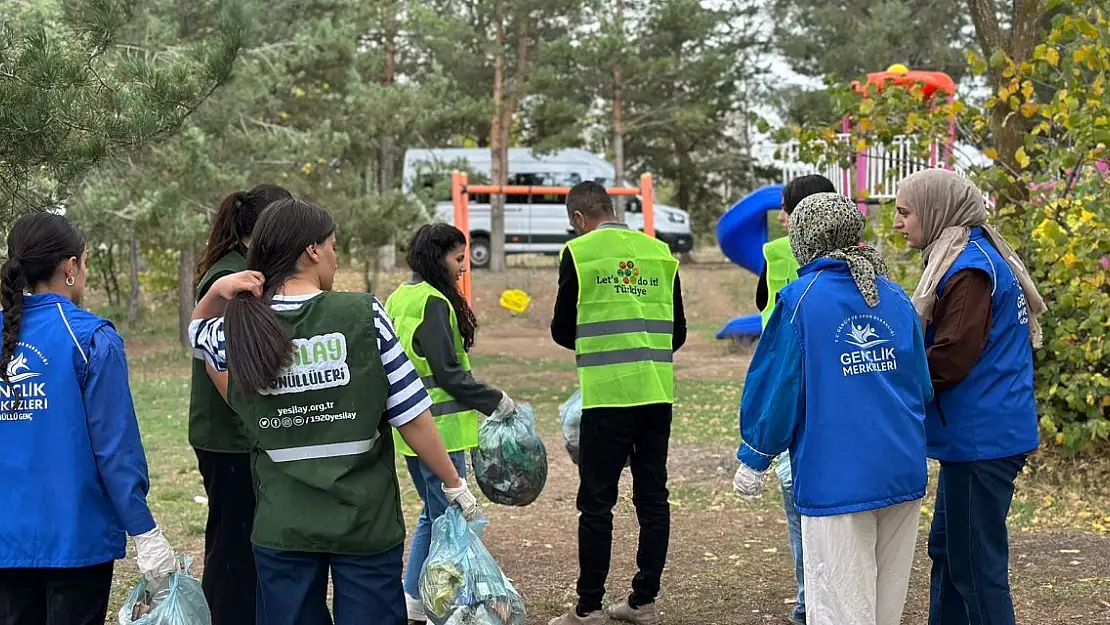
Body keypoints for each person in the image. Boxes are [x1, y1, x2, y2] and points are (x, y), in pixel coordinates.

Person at [189, 198, 481, 625]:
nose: (335, 258)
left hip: (283, 524)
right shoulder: (363, 315)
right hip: (363, 521)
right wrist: (454, 483)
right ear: (312, 250)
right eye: (333, 246)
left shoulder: (241, 328)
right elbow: (412, 415)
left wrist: (217, 291)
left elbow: (197, 335)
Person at [733, 193, 932, 625]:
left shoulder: (799, 300)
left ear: (805, 238)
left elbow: (777, 386)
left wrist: (754, 454)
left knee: (839, 602)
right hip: (902, 468)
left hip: (836, 477)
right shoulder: (895, 297)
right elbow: (922, 386)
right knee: (884, 602)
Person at [0, 213, 177, 625]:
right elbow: (114, 448)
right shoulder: (90, 337)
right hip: (75, 538)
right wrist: (145, 531)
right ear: (70, 267)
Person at [894, 169, 1044, 625]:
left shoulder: (970, 268)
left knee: (976, 567)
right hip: (980, 435)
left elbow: (952, 357)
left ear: (937, 211)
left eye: (905, 212)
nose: (898, 223)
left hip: (984, 440)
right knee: (948, 548)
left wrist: (895, 392)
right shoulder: (973, 253)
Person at [549, 181, 687, 625]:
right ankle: (643, 601)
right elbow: (678, 331)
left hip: (607, 395)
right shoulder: (660, 254)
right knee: (652, 499)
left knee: (596, 503)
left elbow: (561, 329)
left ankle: (588, 608)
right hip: (655, 393)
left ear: (578, 219)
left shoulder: (580, 253)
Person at [386, 223, 516, 623]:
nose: (463, 267)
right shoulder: (432, 303)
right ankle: (435, 600)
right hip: (439, 432)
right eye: (458, 259)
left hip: (410, 431)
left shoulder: (398, 297)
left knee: (435, 514)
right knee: (449, 520)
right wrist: (496, 400)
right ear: (436, 257)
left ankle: (413, 598)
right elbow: (448, 374)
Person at [190, 183, 292, 625]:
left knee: (238, 542)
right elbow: (225, 363)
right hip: (230, 437)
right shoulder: (232, 279)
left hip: (234, 434)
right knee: (233, 548)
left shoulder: (242, 268)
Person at [754, 174, 836, 625]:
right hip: (839, 391)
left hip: (791, 389)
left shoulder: (774, 254)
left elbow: (764, 304)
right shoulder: (864, 263)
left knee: (799, 507)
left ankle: (808, 602)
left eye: (786, 209)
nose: (782, 218)